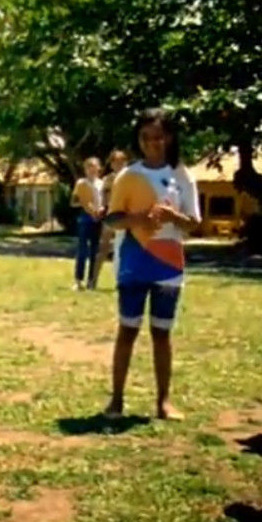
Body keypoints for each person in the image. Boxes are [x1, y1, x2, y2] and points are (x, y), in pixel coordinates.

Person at [102, 108, 201, 421]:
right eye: (145, 138)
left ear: (169, 137)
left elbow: (195, 223)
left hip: (169, 266)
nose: (152, 143)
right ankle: (116, 400)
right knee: (127, 330)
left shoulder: (182, 175)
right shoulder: (128, 175)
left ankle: (164, 402)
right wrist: (139, 219)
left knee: (162, 333)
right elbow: (114, 218)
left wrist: (175, 218)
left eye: (158, 137)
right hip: (134, 263)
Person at [90, 150, 129, 288]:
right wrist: (102, 209)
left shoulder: (131, 178)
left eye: (121, 162)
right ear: (111, 164)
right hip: (111, 216)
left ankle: (124, 280)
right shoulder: (108, 179)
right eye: (115, 162)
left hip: (126, 217)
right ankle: (93, 280)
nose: (119, 165)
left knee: (127, 249)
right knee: (103, 249)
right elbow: (102, 198)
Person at [72, 157, 104, 290]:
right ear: (85, 169)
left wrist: (99, 211)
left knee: (95, 251)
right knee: (82, 249)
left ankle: (92, 280)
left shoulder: (102, 184)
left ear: (99, 168)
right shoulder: (81, 183)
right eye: (89, 166)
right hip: (85, 218)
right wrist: (87, 206)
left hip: (99, 217)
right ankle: (78, 280)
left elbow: (105, 200)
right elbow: (73, 202)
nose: (92, 169)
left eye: (94, 166)